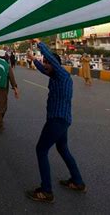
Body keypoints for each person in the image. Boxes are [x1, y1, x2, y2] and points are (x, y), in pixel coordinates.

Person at [25, 41, 86, 204]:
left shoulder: (62, 74)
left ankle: (46, 191)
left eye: (47, 63)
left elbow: (51, 62)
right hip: (62, 120)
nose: (45, 66)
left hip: (56, 121)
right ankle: (77, 181)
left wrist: (40, 44)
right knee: (62, 148)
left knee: (41, 150)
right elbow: (43, 69)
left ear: (54, 64)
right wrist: (33, 59)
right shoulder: (54, 75)